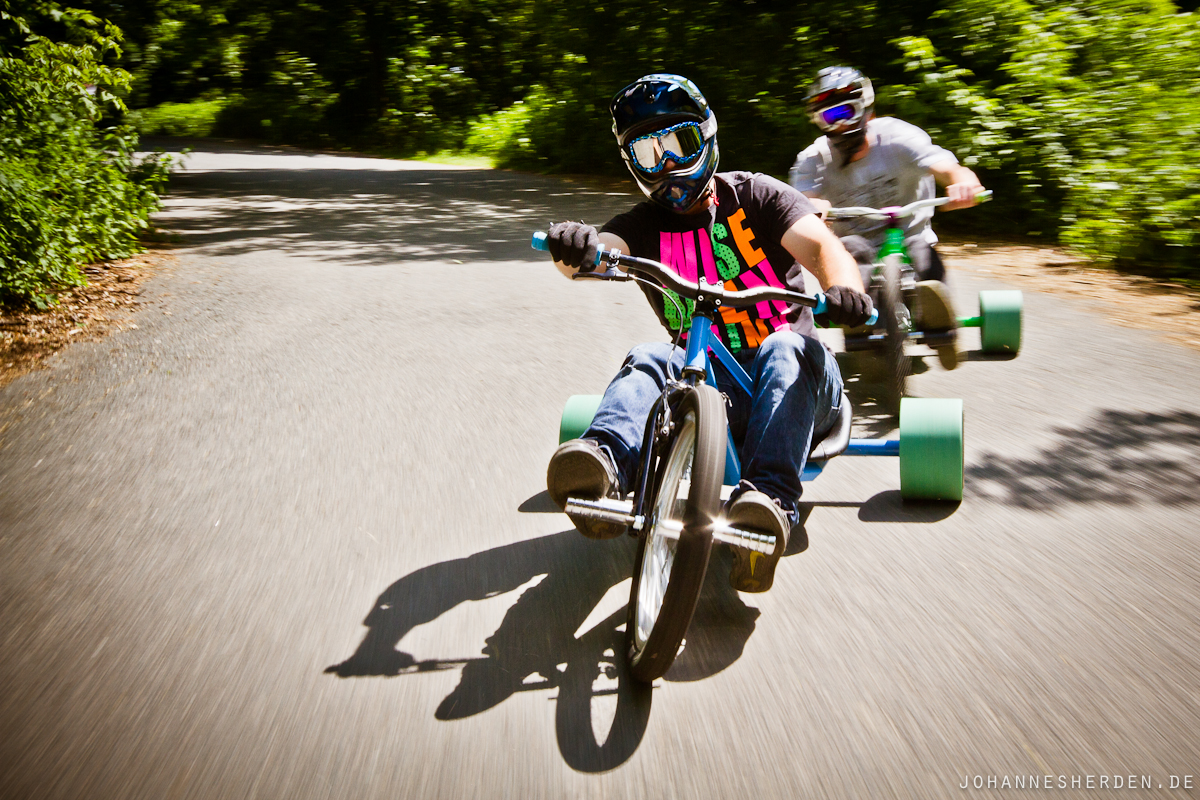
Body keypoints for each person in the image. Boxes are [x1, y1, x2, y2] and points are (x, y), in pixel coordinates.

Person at [542, 74, 874, 593]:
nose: (667, 164)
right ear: (633, 163)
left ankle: (767, 506)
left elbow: (823, 249)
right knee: (653, 355)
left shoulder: (757, 195)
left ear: (706, 137)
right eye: (649, 153)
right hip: (707, 389)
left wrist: (845, 290)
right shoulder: (644, 224)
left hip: (799, 392)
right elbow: (598, 257)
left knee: (784, 344)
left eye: (678, 144)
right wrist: (576, 247)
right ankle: (603, 466)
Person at [788, 66, 987, 370]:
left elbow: (947, 165)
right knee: (851, 250)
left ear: (865, 108)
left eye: (845, 111)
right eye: (829, 117)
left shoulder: (898, 137)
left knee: (924, 258)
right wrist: (815, 209)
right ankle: (857, 312)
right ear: (818, 121)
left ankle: (941, 324)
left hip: (910, 234)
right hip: (855, 244)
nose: (839, 124)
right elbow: (803, 201)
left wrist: (962, 182)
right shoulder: (813, 159)